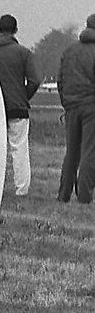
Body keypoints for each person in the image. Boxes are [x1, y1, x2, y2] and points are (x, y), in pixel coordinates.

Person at [0, 14, 39, 197]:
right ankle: (21, 189)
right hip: (18, 107)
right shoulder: (24, 53)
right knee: (19, 150)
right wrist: (24, 96)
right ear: (16, 30)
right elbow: (35, 79)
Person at [58, 14, 95, 204]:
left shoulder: (70, 51)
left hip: (71, 106)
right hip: (92, 106)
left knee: (71, 152)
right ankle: (84, 197)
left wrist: (67, 103)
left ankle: (63, 194)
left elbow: (60, 81)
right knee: (90, 151)